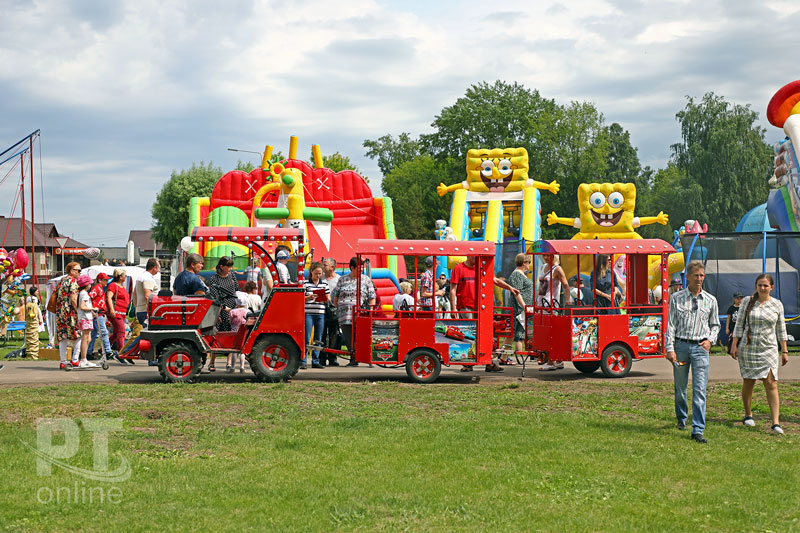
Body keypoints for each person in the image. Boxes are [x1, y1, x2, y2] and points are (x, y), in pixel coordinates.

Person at [665, 260, 720, 444]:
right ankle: (681, 417)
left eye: (702, 275)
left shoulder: (710, 300)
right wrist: (670, 348)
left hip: (699, 349)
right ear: (687, 277)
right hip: (681, 348)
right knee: (680, 388)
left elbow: (715, 325)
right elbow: (671, 325)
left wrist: (710, 341)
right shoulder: (677, 298)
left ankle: (698, 429)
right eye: (695, 275)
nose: (699, 279)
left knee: (699, 390)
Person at [729, 274, 789, 434]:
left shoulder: (777, 305)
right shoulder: (747, 302)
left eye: (765, 285)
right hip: (748, 348)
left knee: (771, 383)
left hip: (768, 349)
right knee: (749, 382)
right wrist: (734, 345)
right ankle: (748, 415)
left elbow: (781, 329)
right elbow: (739, 324)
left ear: (771, 287)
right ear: (756, 286)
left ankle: (776, 423)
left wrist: (785, 350)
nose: (763, 288)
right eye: (760, 285)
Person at [449, 255, 520, 372]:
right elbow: (453, 289)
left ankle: (488, 362)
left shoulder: (480, 268)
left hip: (481, 307)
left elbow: (495, 280)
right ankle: (468, 363)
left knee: (485, 334)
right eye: (476, 258)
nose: (478, 260)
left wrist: (510, 288)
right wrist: (453, 308)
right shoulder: (459, 268)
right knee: (469, 335)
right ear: (469, 256)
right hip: (465, 307)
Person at [331, 257, 375, 367]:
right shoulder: (342, 279)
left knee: (362, 335)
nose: (360, 270)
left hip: (361, 314)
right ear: (352, 268)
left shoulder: (366, 280)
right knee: (349, 336)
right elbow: (335, 296)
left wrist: (371, 310)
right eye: (358, 268)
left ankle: (367, 357)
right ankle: (353, 357)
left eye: (362, 268)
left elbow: (372, 296)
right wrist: (338, 308)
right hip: (345, 315)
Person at [207, 256, 239, 372]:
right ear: (222, 266)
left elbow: (237, 290)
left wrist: (235, 308)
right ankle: (211, 362)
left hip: (232, 310)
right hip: (220, 310)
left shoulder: (232, 276)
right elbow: (214, 297)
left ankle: (229, 363)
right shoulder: (214, 279)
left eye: (231, 266)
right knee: (217, 336)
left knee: (231, 335)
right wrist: (220, 312)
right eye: (228, 266)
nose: (230, 268)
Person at [506, 253, 534, 367]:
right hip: (518, 309)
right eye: (529, 262)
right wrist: (524, 307)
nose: (529, 265)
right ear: (524, 263)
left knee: (513, 334)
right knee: (511, 333)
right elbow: (517, 293)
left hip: (521, 309)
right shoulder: (517, 274)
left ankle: (504, 356)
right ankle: (504, 356)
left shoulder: (521, 274)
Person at [303, 261, 330, 369]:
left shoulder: (324, 284)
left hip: (320, 313)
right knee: (307, 337)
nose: (318, 275)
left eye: (320, 273)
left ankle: (315, 360)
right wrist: (309, 297)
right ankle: (303, 360)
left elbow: (328, 297)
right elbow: (300, 299)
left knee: (318, 338)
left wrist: (325, 298)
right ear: (311, 272)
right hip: (308, 313)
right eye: (316, 273)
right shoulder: (305, 283)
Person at [55, 262, 82, 369]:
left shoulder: (62, 280)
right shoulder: (73, 281)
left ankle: (63, 361)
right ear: (72, 271)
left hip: (60, 312)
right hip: (71, 312)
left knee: (63, 336)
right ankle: (75, 359)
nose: (80, 273)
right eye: (78, 270)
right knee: (79, 334)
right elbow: (73, 298)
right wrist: (79, 311)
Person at [106, 268, 133, 364]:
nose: (125, 277)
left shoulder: (121, 286)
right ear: (120, 277)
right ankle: (121, 353)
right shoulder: (113, 286)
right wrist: (112, 309)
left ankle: (105, 348)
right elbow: (109, 297)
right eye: (124, 275)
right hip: (116, 312)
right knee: (121, 331)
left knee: (117, 333)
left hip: (122, 313)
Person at [86, 273, 113, 358]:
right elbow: (88, 297)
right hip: (97, 313)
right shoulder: (97, 287)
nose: (106, 281)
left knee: (94, 333)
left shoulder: (101, 288)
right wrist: (92, 309)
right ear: (99, 280)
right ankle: (108, 351)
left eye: (107, 279)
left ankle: (89, 351)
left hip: (100, 312)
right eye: (104, 280)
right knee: (103, 332)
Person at [321, 257, 341, 366]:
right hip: (322, 309)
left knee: (334, 334)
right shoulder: (320, 278)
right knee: (322, 334)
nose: (323, 267)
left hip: (333, 310)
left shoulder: (339, 279)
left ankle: (333, 357)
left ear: (332, 267)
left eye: (325, 265)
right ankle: (322, 357)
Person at [76, 274, 99, 368]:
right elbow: (82, 307)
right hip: (85, 319)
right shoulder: (84, 294)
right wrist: (92, 308)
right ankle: (83, 359)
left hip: (86, 318)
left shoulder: (81, 293)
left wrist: (92, 311)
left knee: (88, 338)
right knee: (85, 339)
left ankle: (84, 358)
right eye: (89, 283)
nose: (91, 285)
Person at [132, 258, 160, 328]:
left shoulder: (141, 276)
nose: (159, 270)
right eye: (158, 267)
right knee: (148, 334)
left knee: (145, 333)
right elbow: (147, 296)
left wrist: (136, 308)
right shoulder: (148, 278)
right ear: (154, 268)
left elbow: (135, 294)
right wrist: (150, 312)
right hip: (146, 311)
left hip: (140, 310)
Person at [24, 287, 43, 360]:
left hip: (30, 318)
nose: (38, 292)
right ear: (34, 292)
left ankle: (32, 349)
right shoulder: (34, 299)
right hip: (34, 317)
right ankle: (33, 352)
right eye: (37, 291)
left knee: (31, 333)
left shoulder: (28, 298)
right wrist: (40, 318)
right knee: (34, 333)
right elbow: (36, 309)